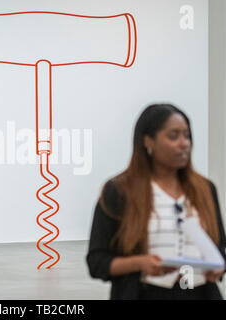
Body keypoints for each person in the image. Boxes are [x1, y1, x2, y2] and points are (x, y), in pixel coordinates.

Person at [86, 104, 226, 300]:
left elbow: (220, 247)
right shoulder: (118, 191)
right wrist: (140, 263)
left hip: (201, 293)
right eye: (173, 136)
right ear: (148, 141)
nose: (183, 143)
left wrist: (218, 266)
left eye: (187, 136)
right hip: (144, 293)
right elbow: (97, 262)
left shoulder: (205, 189)